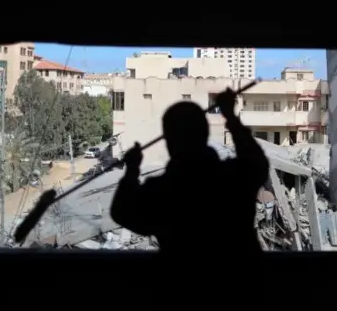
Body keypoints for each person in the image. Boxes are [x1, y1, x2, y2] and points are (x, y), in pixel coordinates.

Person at [110, 88, 269, 254]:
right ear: (204, 133)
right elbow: (257, 162)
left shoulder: (160, 191)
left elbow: (121, 212)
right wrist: (230, 116)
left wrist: (132, 170)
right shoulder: (234, 177)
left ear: (169, 142)